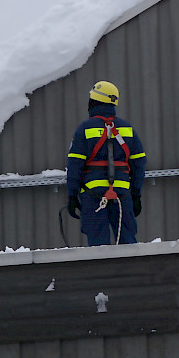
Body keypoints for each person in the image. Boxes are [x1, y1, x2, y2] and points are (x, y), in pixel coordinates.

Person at [66, 80, 147, 246]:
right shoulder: (128, 129)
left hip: (93, 195)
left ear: (93, 102)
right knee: (128, 243)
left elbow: (75, 165)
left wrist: (72, 195)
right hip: (122, 195)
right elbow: (139, 164)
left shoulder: (84, 129)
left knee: (98, 246)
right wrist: (136, 194)